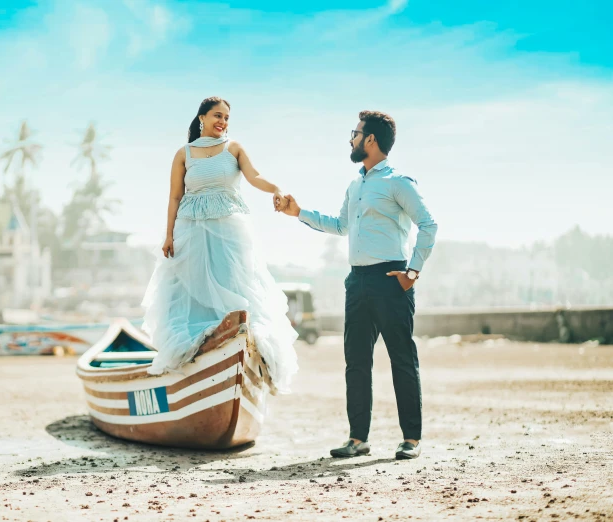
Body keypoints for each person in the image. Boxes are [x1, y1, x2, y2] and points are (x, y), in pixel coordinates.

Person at [278, 110, 438, 459]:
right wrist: (298, 212)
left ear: (370, 139)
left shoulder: (398, 181)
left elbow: (428, 225)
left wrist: (412, 273)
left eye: (355, 132)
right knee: (356, 362)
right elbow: (339, 225)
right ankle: (358, 438)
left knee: (402, 359)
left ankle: (411, 439)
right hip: (358, 281)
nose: (350, 139)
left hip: (392, 279)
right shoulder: (356, 184)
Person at [141, 96, 299, 393]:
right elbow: (175, 196)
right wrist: (169, 235)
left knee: (234, 284)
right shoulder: (183, 153)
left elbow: (254, 176)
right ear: (201, 117)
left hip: (230, 230)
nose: (222, 122)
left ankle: (241, 353)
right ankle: (199, 357)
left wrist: (276, 188)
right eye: (217, 116)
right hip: (191, 230)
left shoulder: (234, 148)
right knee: (192, 290)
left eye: (226, 118)